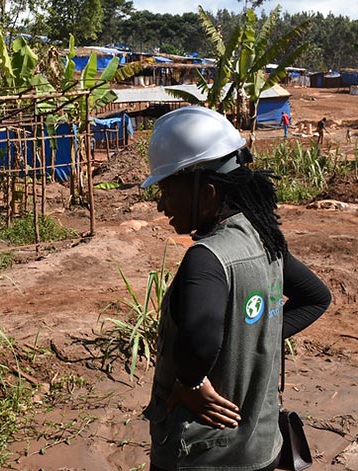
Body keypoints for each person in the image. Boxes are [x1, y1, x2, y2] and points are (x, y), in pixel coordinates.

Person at [140, 107, 331, 471]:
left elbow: (200, 340)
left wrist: (190, 384)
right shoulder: (265, 239)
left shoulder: (207, 258)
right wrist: (256, 336)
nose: (162, 205)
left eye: (166, 190)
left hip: (206, 456)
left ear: (208, 192)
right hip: (261, 449)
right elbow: (316, 298)